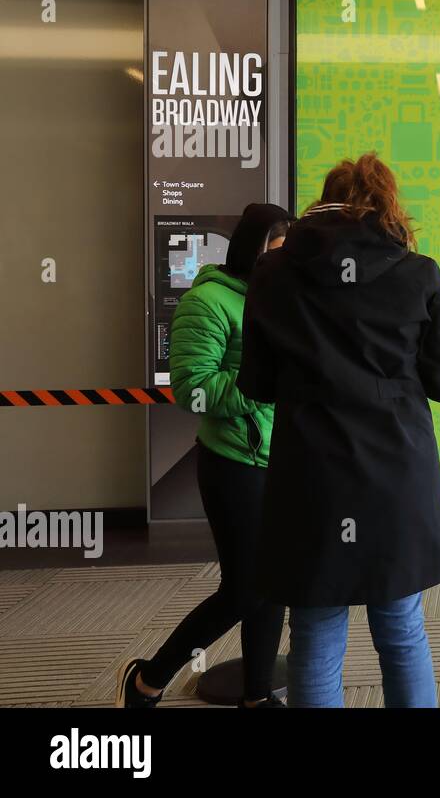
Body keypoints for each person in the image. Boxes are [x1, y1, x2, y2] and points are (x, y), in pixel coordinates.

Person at [237, 153, 440, 708]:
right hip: (396, 474)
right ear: (386, 204)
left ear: (324, 202)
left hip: (310, 476)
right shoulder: (417, 273)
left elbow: (258, 384)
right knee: (401, 628)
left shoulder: (273, 273)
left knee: (314, 632)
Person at [117, 203, 293, 709]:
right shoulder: (208, 301)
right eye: (278, 253)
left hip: (280, 460)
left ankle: (257, 695)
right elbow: (193, 389)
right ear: (255, 250)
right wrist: (264, 389)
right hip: (233, 463)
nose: (285, 264)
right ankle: (148, 678)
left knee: (272, 583)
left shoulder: (280, 297)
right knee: (243, 589)